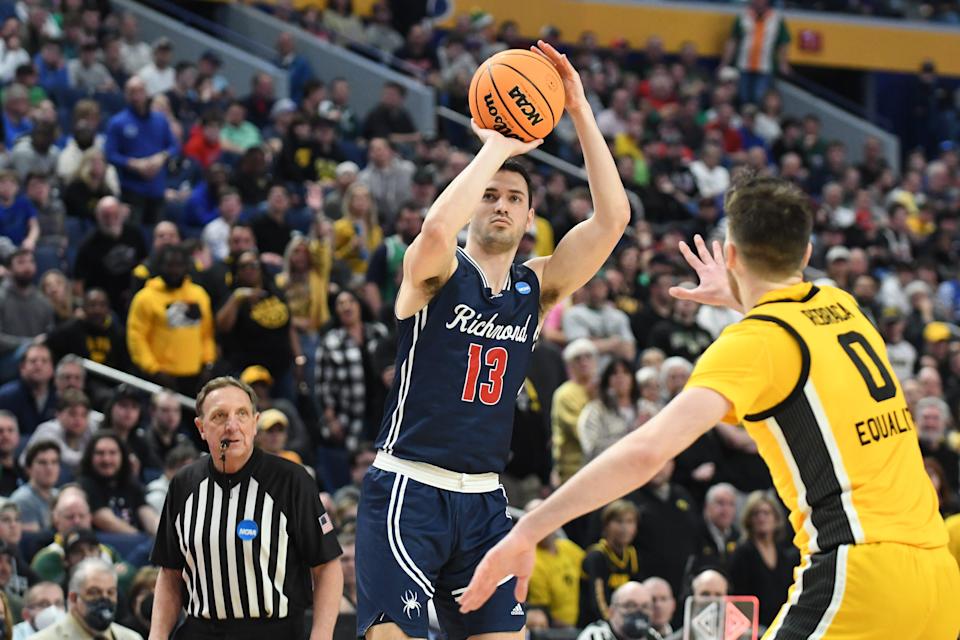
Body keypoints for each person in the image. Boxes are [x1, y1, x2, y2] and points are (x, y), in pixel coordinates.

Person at [460, 176, 960, 639]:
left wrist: (529, 527)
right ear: (806, 251)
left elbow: (648, 452)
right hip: (938, 577)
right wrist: (741, 298)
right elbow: (796, 342)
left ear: (733, 255)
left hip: (862, 571)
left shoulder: (753, 343)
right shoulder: (845, 307)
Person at [355, 40, 629, 640]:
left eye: (514, 199)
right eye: (490, 196)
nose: (502, 206)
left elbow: (612, 222)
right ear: (472, 205)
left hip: (484, 500)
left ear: (531, 217)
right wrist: (497, 147)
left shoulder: (537, 286)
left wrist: (578, 109)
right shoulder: (437, 271)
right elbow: (433, 226)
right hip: (408, 487)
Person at [148, 376, 343, 639]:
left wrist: (321, 636)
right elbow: (170, 573)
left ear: (254, 423)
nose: (232, 426)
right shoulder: (183, 484)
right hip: (200, 630)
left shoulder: (292, 481)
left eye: (241, 414)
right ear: (201, 427)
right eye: (219, 416)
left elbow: (327, 567)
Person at [127, 243, 215, 395]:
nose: (175, 270)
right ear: (160, 267)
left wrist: (208, 364)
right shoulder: (145, 298)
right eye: (170, 265)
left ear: (186, 267)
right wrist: (153, 370)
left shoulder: (199, 295)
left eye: (179, 265)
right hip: (160, 379)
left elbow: (206, 333)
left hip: (196, 378)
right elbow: (136, 337)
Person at [104, 76, 179, 225]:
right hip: (132, 190)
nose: (137, 96)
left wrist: (161, 157)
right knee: (133, 234)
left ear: (147, 93)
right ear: (126, 95)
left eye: (140, 91)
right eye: (132, 92)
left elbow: (174, 146)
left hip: (157, 188)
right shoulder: (117, 122)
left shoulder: (160, 120)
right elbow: (110, 154)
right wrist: (134, 164)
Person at [729, 491, 799, 627]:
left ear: (776, 519)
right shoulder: (743, 553)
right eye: (756, 514)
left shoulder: (783, 555)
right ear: (749, 519)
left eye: (766, 513)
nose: (761, 518)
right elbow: (738, 599)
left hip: (781, 627)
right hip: (752, 630)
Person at [31, 557, 142, 639]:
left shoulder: (132, 638)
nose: (105, 598)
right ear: (74, 598)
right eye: (94, 592)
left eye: (110, 592)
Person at [77, 432, 158, 535]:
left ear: (122, 456)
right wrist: (142, 539)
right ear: (90, 457)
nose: (106, 459)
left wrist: (161, 538)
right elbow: (104, 520)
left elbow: (146, 512)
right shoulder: (85, 485)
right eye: (100, 453)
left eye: (112, 453)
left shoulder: (130, 483)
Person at [580, 500, 642, 626]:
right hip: (594, 625)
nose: (625, 528)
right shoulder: (596, 555)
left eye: (630, 522)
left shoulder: (632, 555)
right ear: (606, 525)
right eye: (619, 522)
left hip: (622, 624)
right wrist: (613, 624)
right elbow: (598, 601)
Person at [524, 499, 584, 628]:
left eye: (544, 517)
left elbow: (589, 573)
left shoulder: (568, 547)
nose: (541, 524)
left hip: (582, 620)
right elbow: (542, 611)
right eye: (534, 520)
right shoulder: (531, 560)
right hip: (556, 630)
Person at [0, 343, 56, 436]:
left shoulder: (59, 396)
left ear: (52, 368)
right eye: (33, 361)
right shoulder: (6, 396)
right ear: (22, 367)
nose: (39, 365)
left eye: (44, 361)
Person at [9, 439, 59, 531]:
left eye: (54, 462)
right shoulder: (22, 499)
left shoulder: (59, 495)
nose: (49, 468)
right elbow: (35, 540)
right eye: (42, 463)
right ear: (29, 469)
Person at [576, 581, 655, 640]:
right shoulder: (596, 636)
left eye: (645, 606)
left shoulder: (651, 635)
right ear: (611, 611)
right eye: (630, 606)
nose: (638, 612)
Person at [692, 482, 740, 574]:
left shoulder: (738, 537)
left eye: (731, 504)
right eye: (720, 503)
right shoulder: (695, 533)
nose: (726, 509)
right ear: (707, 507)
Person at [0, 412, 24, 496]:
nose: (6, 436)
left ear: (18, 436)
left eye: (10, 430)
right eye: (0, 431)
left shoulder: (25, 469)